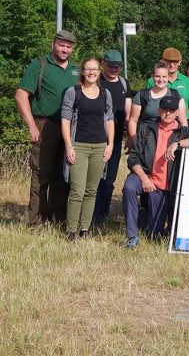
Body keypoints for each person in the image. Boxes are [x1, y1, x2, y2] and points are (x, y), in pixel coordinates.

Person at [15, 30, 80, 226]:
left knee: (64, 174)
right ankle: (35, 221)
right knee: (41, 174)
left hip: (69, 128)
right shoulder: (39, 65)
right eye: (62, 45)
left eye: (69, 46)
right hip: (46, 125)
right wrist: (32, 125)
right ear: (53, 44)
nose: (65, 49)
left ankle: (57, 218)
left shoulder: (76, 70)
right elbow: (20, 95)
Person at [122, 96, 189, 248]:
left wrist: (178, 144)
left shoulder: (182, 131)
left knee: (154, 235)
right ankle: (132, 236)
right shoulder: (146, 129)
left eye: (171, 111)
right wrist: (144, 178)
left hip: (164, 188)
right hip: (145, 176)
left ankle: (142, 215)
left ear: (177, 112)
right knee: (129, 187)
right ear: (159, 110)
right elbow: (133, 158)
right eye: (164, 110)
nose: (167, 113)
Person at [61, 57, 115, 240]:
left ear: (99, 72)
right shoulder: (73, 92)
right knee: (77, 189)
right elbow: (65, 120)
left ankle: (85, 228)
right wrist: (69, 146)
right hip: (79, 146)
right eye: (88, 69)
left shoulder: (105, 93)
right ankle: (71, 230)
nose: (91, 72)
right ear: (82, 72)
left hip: (99, 146)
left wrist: (111, 144)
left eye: (95, 69)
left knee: (92, 190)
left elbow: (109, 119)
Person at [93, 49, 132, 224]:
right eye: (110, 65)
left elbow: (130, 112)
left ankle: (103, 214)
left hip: (115, 140)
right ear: (103, 64)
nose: (114, 69)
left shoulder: (124, 84)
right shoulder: (96, 81)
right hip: (94, 138)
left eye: (118, 66)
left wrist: (130, 136)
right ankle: (90, 214)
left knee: (109, 180)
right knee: (94, 179)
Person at [127, 61, 187, 149]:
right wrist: (134, 139)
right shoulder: (142, 95)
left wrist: (181, 142)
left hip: (170, 141)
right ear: (152, 76)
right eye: (157, 76)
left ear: (168, 77)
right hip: (146, 141)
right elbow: (133, 120)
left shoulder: (176, 96)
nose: (161, 79)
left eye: (164, 76)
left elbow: (183, 122)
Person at [145, 47, 189, 120]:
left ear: (180, 62)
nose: (172, 65)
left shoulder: (188, 82)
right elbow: (147, 105)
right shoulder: (152, 81)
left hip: (182, 125)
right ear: (163, 61)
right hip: (158, 124)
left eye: (175, 62)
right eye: (169, 61)